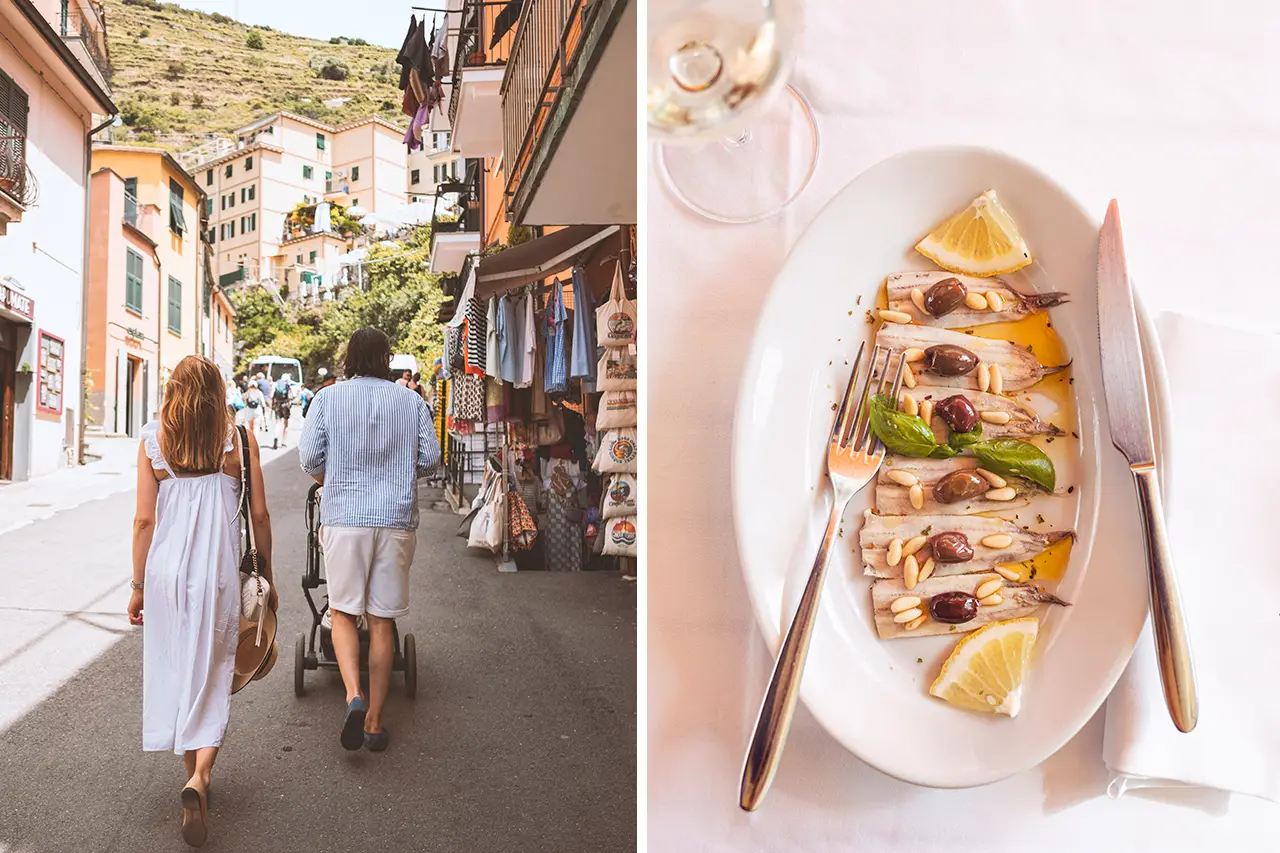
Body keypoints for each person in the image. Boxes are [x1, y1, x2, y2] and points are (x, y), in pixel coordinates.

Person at [128, 355, 275, 848]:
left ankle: (196, 781)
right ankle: (200, 778)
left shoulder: (154, 440)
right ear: (218, 391)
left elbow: (144, 522)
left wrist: (138, 586)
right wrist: (268, 576)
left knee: (179, 669)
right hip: (216, 574)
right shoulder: (238, 440)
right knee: (214, 672)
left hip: (165, 574)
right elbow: (259, 515)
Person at [299, 328, 440, 752]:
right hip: (395, 520)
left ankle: (353, 695)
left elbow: (309, 458)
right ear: (387, 359)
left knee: (342, 612)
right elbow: (431, 458)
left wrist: (333, 481)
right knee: (382, 619)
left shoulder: (328, 398)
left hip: (344, 519)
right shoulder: (411, 400)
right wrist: (397, 478)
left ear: (349, 357)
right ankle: (376, 722)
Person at [271, 373, 294, 450]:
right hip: (285, 405)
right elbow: (292, 395)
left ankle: (276, 437)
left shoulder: (276, 383)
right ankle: (283, 442)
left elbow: (271, 395)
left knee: (278, 423)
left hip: (277, 405)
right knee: (286, 424)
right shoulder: (288, 384)